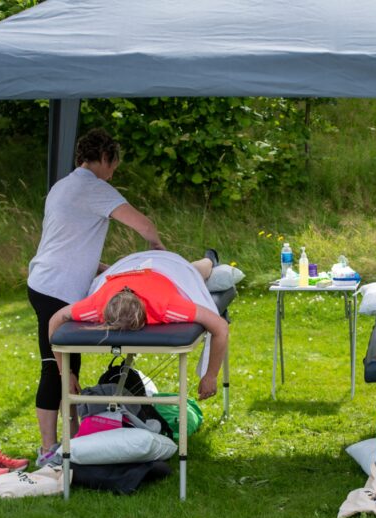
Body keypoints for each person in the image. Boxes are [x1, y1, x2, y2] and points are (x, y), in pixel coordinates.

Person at [27, 128, 165, 466]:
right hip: (54, 289)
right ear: (105, 158)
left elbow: (68, 243)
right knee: (54, 368)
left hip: (47, 281)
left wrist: (108, 269)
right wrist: (160, 252)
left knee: (68, 365)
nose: (113, 171)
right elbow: (144, 225)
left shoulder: (63, 185)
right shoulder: (93, 187)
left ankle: (71, 440)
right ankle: (48, 451)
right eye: (114, 165)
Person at [47, 249, 228, 408]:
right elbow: (54, 320)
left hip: (169, 267)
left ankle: (210, 259)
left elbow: (219, 327)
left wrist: (211, 376)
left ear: (144, 317)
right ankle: (104, 268)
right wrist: (65, 373)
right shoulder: (96, 305)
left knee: (197, 272)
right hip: (123, 268)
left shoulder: (166, 306)